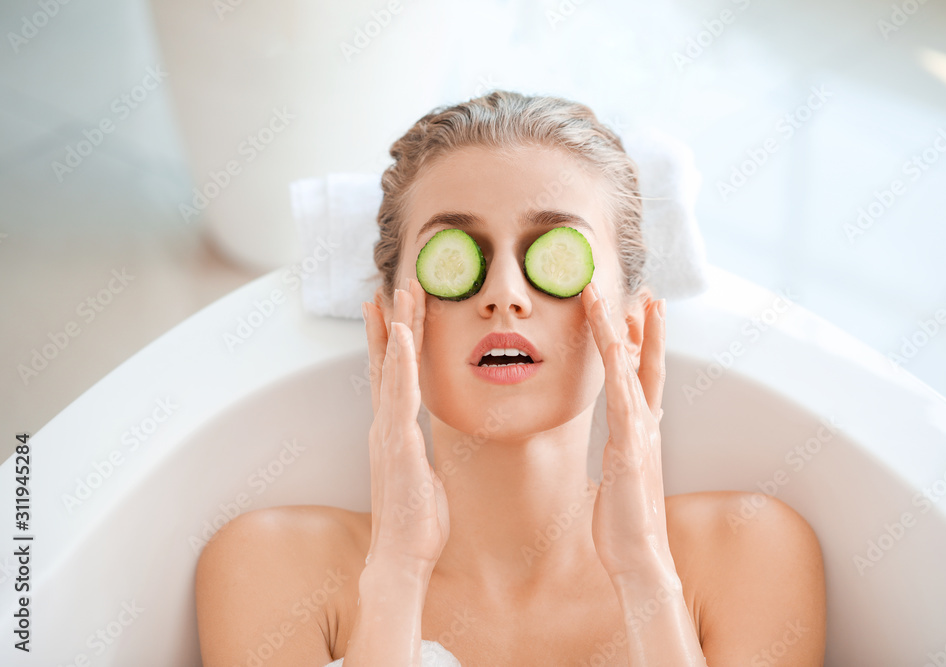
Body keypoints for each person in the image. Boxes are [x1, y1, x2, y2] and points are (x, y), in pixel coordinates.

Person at [194, 90, 826, 666]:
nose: (503, 294)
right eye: (456, 257)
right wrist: (395, 575)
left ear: (632, 330)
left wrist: (644, 572)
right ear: (392, 327)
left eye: (552, 254)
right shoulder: (271, 566)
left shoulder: (748, 551)